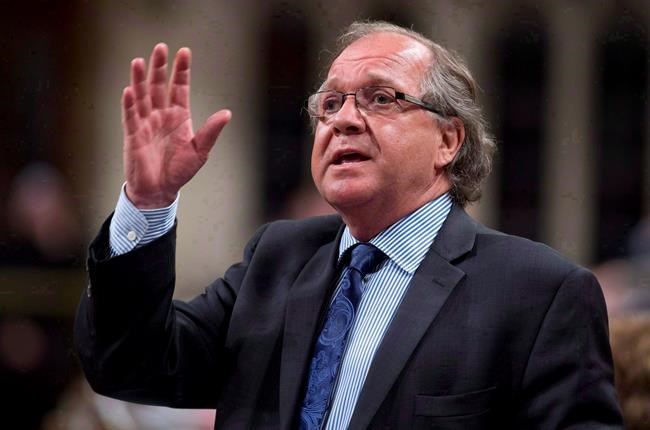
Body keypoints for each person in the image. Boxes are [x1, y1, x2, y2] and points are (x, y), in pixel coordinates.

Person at [74, 21, 623, 429]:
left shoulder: (538, 293)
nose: (343, 120)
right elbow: (129, 365)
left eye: (380, 98)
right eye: (330, 103)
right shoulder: (278, 259)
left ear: (448, 140)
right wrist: (148, 201)